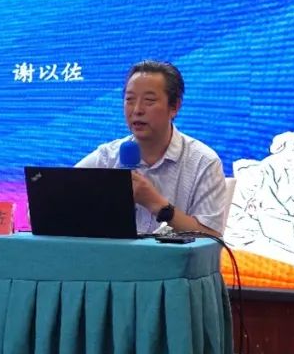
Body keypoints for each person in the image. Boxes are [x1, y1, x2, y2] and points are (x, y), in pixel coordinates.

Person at [76, 60, 228, 236]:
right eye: (130, 100)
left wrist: (157, 204)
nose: (137, 110)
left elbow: (211, 239)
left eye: (149, 101)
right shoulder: (106, 158)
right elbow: (61, 196)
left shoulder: (203, 162)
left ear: (174, 107)